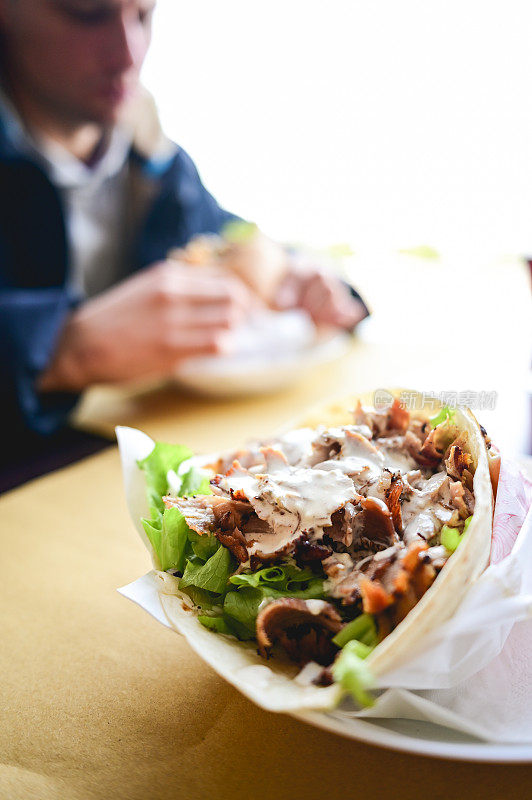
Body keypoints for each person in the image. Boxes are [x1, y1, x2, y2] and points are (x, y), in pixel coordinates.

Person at [0, 0, 368, 454]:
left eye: (143, 15)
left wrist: (302, 275)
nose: (129, 53)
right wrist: (62, 352)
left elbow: (222, 234)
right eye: (88, 13)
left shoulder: (149, 154)